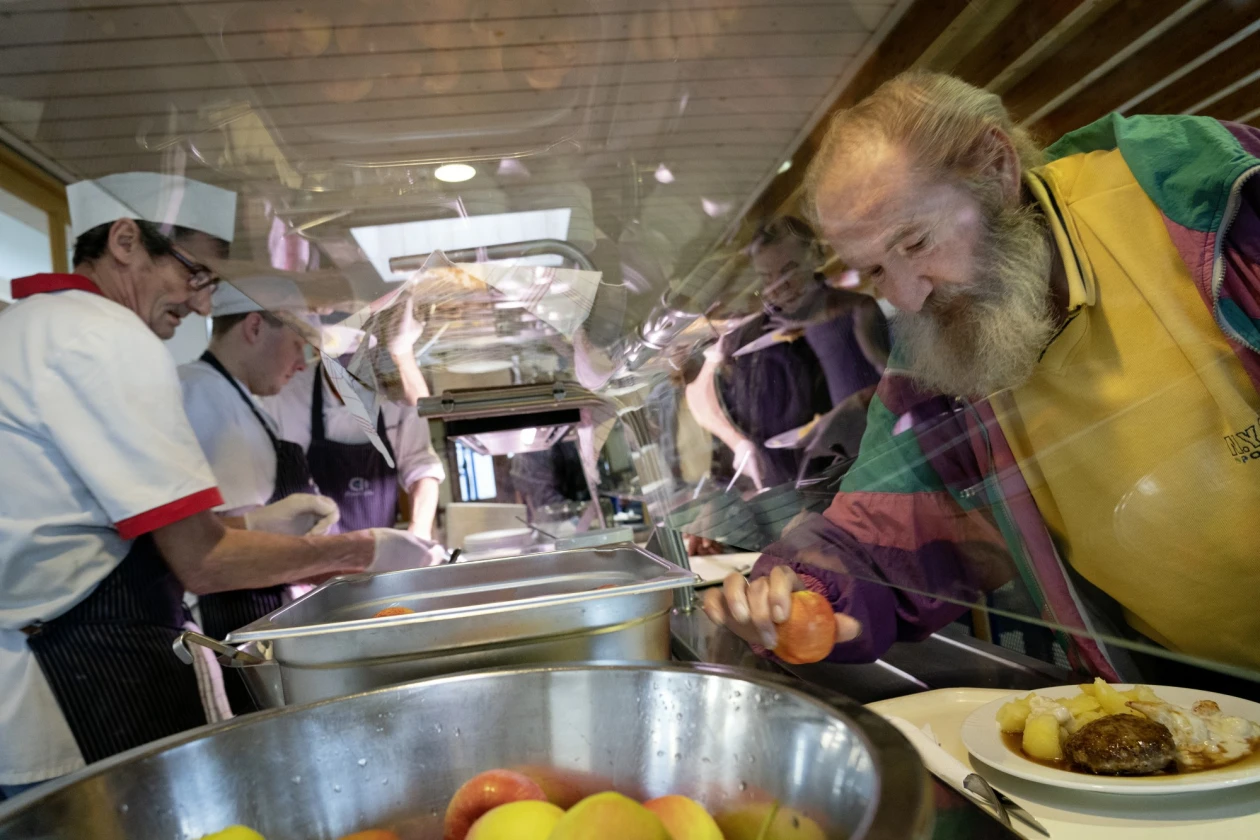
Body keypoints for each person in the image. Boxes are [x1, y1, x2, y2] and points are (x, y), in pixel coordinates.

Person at [703, 72, 1260, 691]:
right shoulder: (941, 346)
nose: (908, 297)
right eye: (876, 271)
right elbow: (886, 525)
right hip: (1199, 696)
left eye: (915, 241)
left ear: (995, 168)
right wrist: (798, 595)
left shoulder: (1195, 202)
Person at [0, 172, 433, 794]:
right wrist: (360, 551)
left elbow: (98, 522)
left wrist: (252, 525)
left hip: (40, 688)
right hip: (78, 688)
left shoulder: (30, 325)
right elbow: (201, 562)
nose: (202, 303)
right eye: (194, 272)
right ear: (125, 241)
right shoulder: (107, 337)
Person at [261, 319, 446, 538]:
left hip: (379, 550)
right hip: (311, 548)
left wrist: (420, 531)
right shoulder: (286, 395)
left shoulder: (398, 394)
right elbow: (275, 481)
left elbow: (420, 466)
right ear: (320, 352)